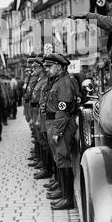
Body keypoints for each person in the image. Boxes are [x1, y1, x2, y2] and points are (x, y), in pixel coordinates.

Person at [41, 53, 77, 210]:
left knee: (63, 158)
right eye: (46, 67)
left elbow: (63, 110)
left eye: (50, 66)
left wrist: (57, 131)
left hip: (60, 124)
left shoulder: (64, 83)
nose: (47, 69)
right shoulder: (57, 81)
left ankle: (67, 198)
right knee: (58, 158)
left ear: (60, 67)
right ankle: (63, 192)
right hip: (53, 122)